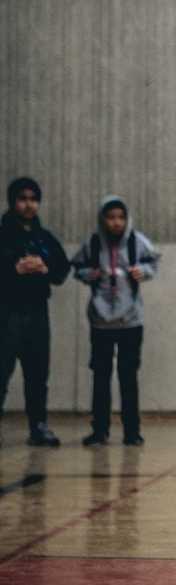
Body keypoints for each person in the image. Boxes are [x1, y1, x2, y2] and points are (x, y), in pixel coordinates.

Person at [71, 196, 161, 447]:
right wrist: (89, 274)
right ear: (103, 219)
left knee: (128, 376)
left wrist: (143, 272)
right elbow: (76, 266)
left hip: (130, 321)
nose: (116, 223)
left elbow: (153, 261)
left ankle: (132, 431)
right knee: (100, 377)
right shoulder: (92, 244)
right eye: (110, 217)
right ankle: (99, 430)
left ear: (127, 219)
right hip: (100, 321)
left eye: (121, 217)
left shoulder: (136, 242)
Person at [0, 176, 69, 447]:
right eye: (23, 199)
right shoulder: (3, 234)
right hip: (8, 315)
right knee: (2, 373)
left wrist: (46, 269)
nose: (29, 205)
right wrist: (12, 270)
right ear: (13, 201)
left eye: (33, 199)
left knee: (38, 374)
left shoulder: (44, 237)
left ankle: (38, 425)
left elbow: (63, 269)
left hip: (38, 314)